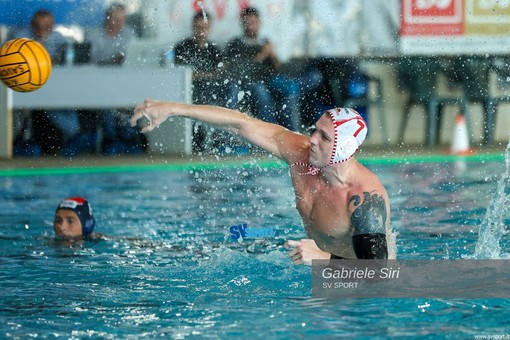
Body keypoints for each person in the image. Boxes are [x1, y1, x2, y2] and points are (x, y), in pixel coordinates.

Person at [130, 100, 392, 265]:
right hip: (310, 261)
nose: (311, 139)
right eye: (315, 130)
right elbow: (240, 123)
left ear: (345, 149)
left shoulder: (363, 200)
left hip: (354, 290)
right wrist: (174, 109)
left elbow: (380, 275)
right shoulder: (301, 156)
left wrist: (324, 259)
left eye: (323, 137)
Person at [10, 9, 82, 156]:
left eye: (47, 27)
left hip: (54, 88)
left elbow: (68, 60)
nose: (43, 31)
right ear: (32, 25)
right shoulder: (20, 38)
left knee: (64, 107)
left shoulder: (58, 38)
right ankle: (22, 141)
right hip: (26, 88)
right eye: (39, 27)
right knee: (32, 109)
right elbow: (13, 65)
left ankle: (73, 137)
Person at [224, 7, 301, 131]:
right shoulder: (236, 44)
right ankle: (271, 132)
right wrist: (262, 55)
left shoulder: (265, 41)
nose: (250, 26)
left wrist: (273, 55)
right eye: (247, 23)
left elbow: (278, 68)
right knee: (261, 90)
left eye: (253, 22)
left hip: (270, 79)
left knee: (291, 90)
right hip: (250, 83)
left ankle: (293, 132)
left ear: (259, 23)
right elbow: (241, 70)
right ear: (242, 24)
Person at [85, 3, 146, 155]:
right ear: (107, 18)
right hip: (98, 84)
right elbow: (88, 61)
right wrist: (113, 59)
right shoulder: (94, 35)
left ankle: (129, 139)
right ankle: (110, 140)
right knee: (107, 110)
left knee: (135, 104)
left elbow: (136, 58)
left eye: (122, 19)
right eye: (116, 19)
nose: (119, 23)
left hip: (124, 84)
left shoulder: (129, 34)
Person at [174, 10, 225, 152]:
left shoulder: (214, 49)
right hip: (187, 88)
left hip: (208, 89)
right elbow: (181, 74)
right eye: (198, 27)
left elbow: (219, 74)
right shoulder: (182, 47)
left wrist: (199, 75)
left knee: (213, 93)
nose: (201, 31)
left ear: (210, 28)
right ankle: (198, 142)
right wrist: (208, 75)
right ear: (193, 27)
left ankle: (214, 141)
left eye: (205, 27)